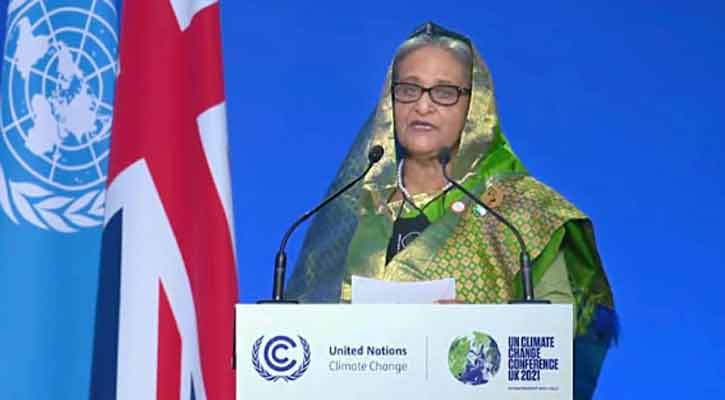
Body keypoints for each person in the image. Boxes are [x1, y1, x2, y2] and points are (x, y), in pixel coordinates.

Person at [287, 22, 616, 399]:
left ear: (475, 105)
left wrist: (482, 330)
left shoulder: (522, 211)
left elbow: (558, 343)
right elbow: (302, 328)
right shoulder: (354, 203)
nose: (422, 105)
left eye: (444, 92)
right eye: (408, 89)